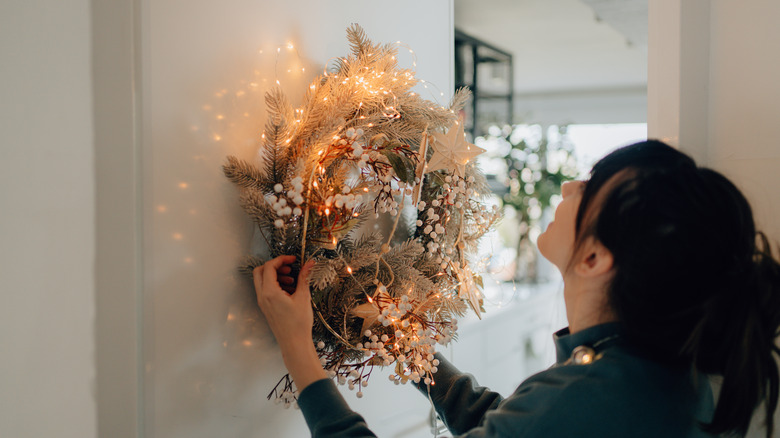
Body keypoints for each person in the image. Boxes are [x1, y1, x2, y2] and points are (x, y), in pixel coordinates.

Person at [253, 140, 780, 437]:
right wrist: (408, 345)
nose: (572, 187)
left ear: (595, 258)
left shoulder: (595, 394)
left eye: (592, 187)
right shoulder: (638, 372)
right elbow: (511, 426)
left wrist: (299, 350)